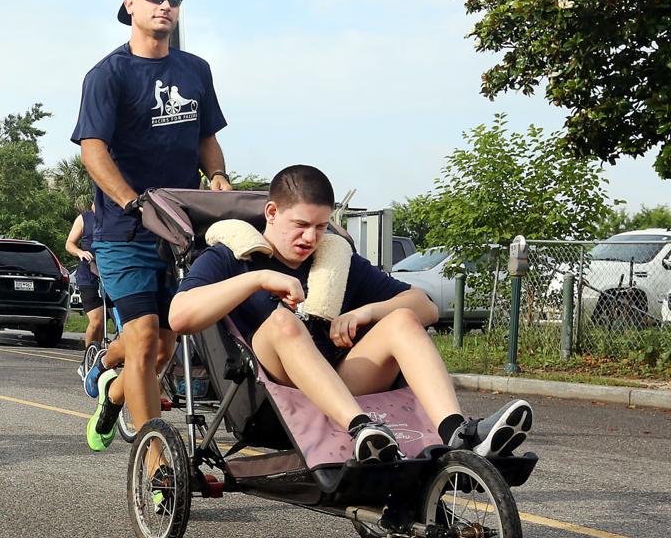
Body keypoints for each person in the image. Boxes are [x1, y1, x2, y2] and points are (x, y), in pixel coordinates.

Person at [168, 165, 533, 461]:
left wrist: (367, 313)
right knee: (282, 321)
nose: (310, 238)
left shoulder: (336, 261)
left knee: (403, 319)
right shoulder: (231, 257)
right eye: (301, 225)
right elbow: (179, 317)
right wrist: (258, 279)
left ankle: (458, 434)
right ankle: (362, 430)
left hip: (341, 380)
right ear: (272, 213)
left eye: (320, 227)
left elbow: (427, 307)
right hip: (273, 396)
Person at [73, 0, 232, 452]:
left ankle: (110, 386)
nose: (165, 4)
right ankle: (155, 463)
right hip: (124, 230)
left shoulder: (195, 70)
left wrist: (218, 176)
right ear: (130, 6)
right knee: (143, 340)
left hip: (179, 229)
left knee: (163, 346)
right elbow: (93, 150)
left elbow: (206, 137)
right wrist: (130, 200)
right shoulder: (108, 74)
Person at [65, 202, 106, 348]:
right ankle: (90, 354)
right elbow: (69, 244)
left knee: (111, 323)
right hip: (88, 276)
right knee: (97, 321)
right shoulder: (84, 218)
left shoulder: (115, 219)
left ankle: (101, 352)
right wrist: (80, 252)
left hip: (110, 275)